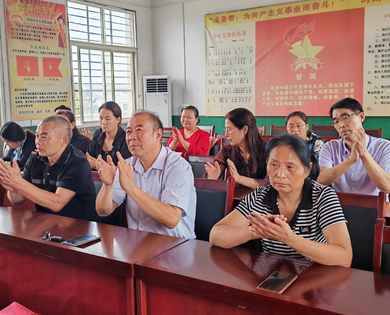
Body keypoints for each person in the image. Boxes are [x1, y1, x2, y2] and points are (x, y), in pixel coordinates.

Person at [210, 135, 352, 267]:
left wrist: (288, 238)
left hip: (314, 278)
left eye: (290, 167)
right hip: (271, 277)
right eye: (274, 165)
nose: (280, 174)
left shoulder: (323, 196)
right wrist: (254, 231)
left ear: (307, 170)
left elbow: (344, 257)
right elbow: (216, 235)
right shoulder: (260, 195)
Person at [95, 111, 196, 239]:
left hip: (175, 246)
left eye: (139, 130)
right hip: (137, 247)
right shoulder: (127, 165)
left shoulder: (178, 167)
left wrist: (131, 188)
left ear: (158, 134)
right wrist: (107, 185)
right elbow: (103, 210)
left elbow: (171, 219)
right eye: (129, 132)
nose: (132, 137)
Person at [0, 115, 97, 221]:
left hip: (80, 227)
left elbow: (57, 203)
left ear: (64, 140)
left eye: (44, 137)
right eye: (37, 136)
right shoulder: (35, 159)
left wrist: (19, 183)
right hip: (45, 223)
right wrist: (13, 188)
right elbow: (17, 200)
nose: (38, 142)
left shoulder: (78, 162)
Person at [317, 98, 390, 196]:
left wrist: (363, 154)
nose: (341, 125)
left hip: (374, 208)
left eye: (345, 117)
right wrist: (350, 160)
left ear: (361, 117)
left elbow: (387, 187)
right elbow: (321, 180)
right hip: (338, 208)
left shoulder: (385, 147)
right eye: (336, 121)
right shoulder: (329, 147)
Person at [204, 108, 268, 189]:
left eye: (229, 129)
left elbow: (269, 183)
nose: (226, 135)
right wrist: (211, 178)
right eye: (225, 130)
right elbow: (208, 177)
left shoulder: (267, 150)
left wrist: (239, 178)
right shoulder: (227, 150)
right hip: (236, 199)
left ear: (244, 130)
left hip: (262, 200)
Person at [86, 101, 131, 169]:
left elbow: (127, 168)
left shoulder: (125, 140)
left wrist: (99, 165)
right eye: (101, 118)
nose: (103, 122)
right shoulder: (97, 135)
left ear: (118, 119)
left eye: (107, 119)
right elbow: (89, 160)